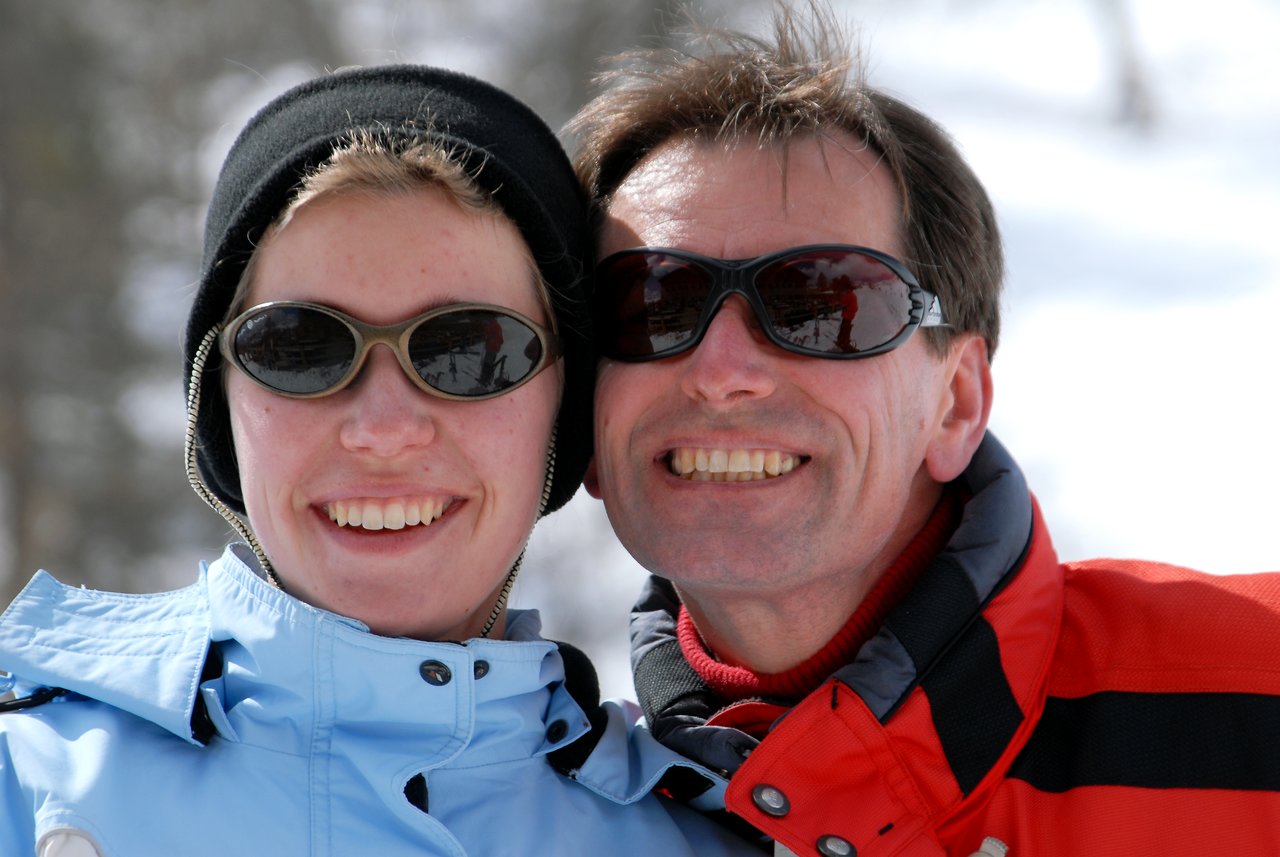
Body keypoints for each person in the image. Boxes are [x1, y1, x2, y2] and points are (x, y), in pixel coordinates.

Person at [568, 5, 1280, 856]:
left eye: (820, 303)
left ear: (956, 404)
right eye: (650, 305)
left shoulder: (1256, 693)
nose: (721, 370)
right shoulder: (545, 819)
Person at [0, 65, 750, 856]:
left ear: (563, 408)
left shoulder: (703, 836)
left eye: (469, 350)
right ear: (218, 403)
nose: (384, 428)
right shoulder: (30, 780)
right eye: (300, 348)